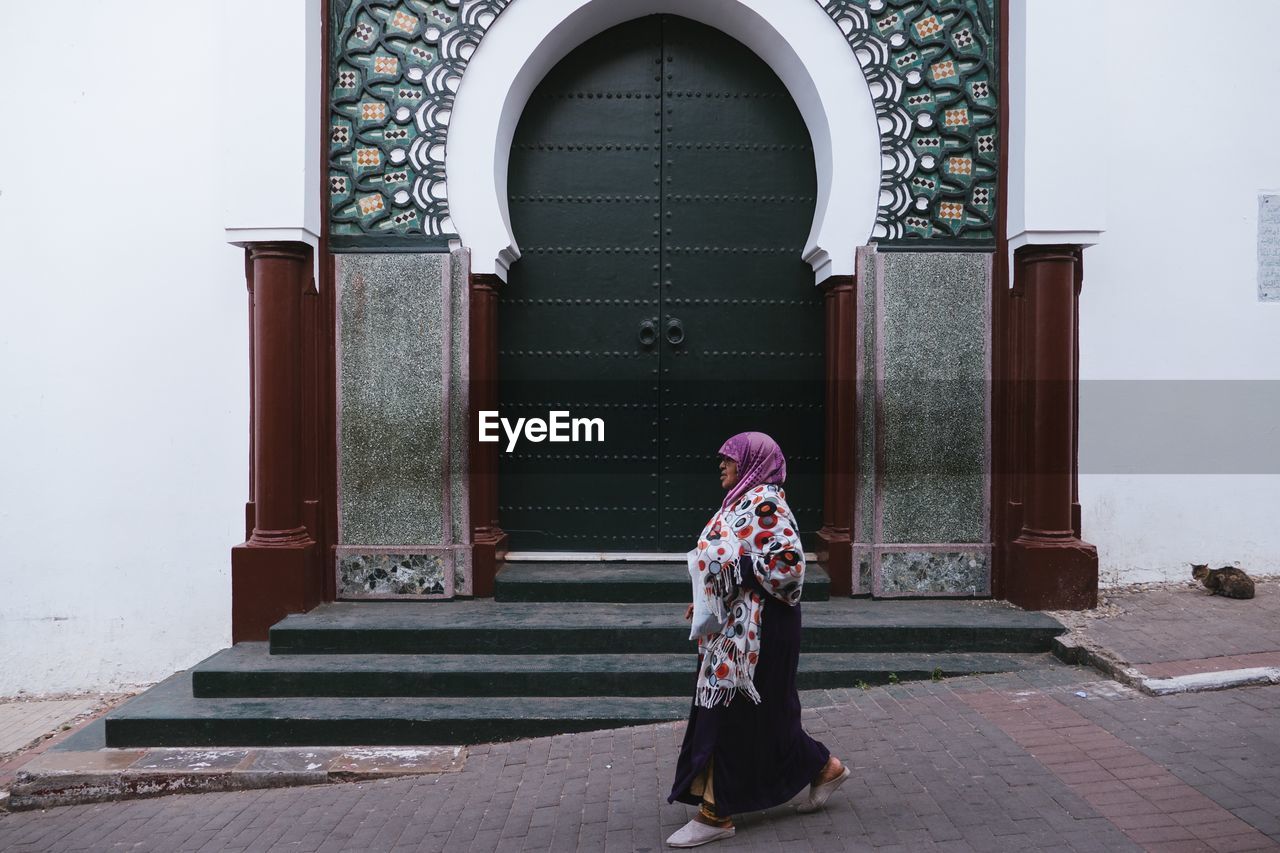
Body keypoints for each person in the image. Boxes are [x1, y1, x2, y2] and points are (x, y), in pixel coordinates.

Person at [665, 431, 850, 848]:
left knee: (734, 713)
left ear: (750, 462)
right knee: (767, 714)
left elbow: (789, 569)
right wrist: (708, 598)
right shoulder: (740, 503)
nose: (722, 465)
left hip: (764, 632)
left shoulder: (767, 504)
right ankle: (824, 768)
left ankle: (716, 813)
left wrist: (735, 569)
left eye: (729, 458)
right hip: (735, 628)